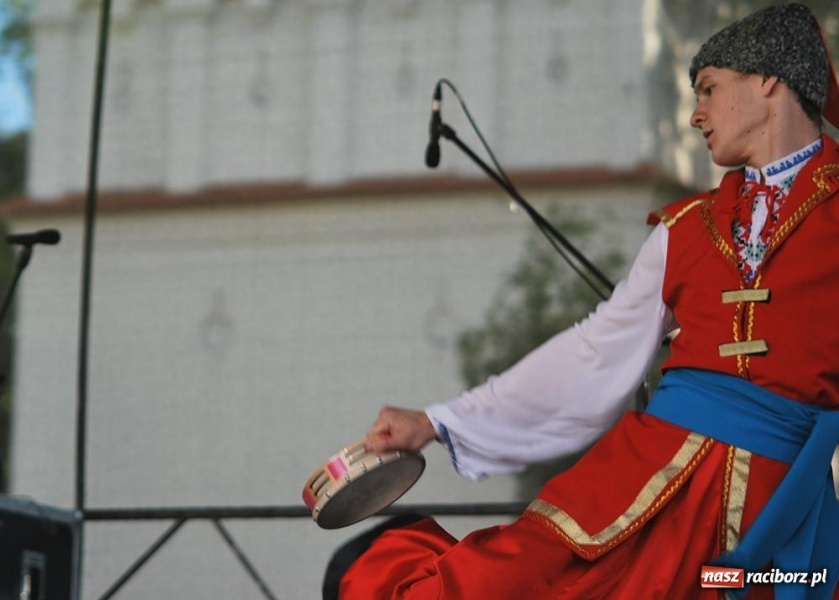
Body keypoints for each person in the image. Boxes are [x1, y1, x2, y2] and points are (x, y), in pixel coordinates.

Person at [332, 4, 839, 599]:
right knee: (496, 585)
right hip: (643, 491)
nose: (696, 113)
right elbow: (595, 354)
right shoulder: (686, 227)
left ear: (767, 80)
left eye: (708, 88)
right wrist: (438, 422)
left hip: (778, 521)